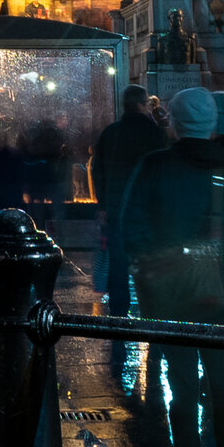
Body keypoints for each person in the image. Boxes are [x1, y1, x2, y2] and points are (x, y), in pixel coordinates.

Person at [120, 87, 224, 447]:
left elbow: (133, 228)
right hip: (221, 291)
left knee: (181, 383)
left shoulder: (155, 166)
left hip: (169, 293)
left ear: (175, 122)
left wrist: (157, 268)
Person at [88, 86, 167, 317]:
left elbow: (97, 170)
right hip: (148, 210)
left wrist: (101, 204)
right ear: (141, 105)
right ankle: (153, 311)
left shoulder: (111, 132)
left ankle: (118, 311)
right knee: (151, 262)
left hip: (115, 208)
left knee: (118, 264)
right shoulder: (155, 134)